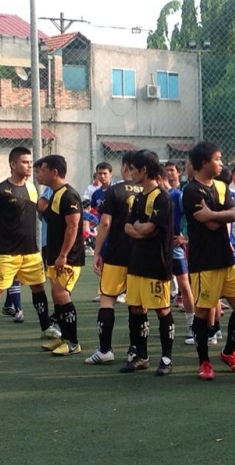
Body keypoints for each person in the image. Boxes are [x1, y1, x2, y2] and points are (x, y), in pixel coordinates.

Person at [0, 147, 61, 349]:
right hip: (7, 252)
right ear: (13, 164)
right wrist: (6, 235)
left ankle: (45, 327)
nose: (29, 165)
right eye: (24, 162)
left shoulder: (32, 187)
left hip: (31, 251)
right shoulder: (0, 191)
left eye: (31, 162)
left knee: (38, 288)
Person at [182, 142, 235, 381]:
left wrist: (214, 213)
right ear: (204, 163)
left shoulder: (221, 185)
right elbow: (209, 223)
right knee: (203, 311)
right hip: (204, 262)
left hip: (227, 259)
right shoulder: (191, 191)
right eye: (218, 159)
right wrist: (221, 215)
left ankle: (229, 353)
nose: (222, 163)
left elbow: (233, 214)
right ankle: (204, 362)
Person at [119, 150, 175, 376]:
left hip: (157, 263)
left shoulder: (162, 197)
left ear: (144, 170)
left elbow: (150, 229)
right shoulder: (139, 197)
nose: (130, 173)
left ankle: (167, 358)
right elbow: (128, 227)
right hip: (137, 262)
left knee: (162, 309)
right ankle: (141, 356)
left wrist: (141, 229)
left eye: (133, 169)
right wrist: (141, 230)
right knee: (135, 307)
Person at [85, 151, 142, 365]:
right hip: (140, 255)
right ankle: (136, 349)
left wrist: (97, 252)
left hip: (117, 254)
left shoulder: (114, 191)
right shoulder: (149, 191)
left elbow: (105, 223)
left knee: (107, 299)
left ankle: (105, 349)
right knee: (137, 303)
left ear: (124, 167)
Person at [36, 155, 85, 355]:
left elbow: (73, 227)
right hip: (55, 254)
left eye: (42, 170)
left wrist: (64, 254)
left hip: (68, 257)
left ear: (55, 172)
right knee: (57, 297)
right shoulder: (55, 194)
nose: (39, 174)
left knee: (62, 295)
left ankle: (73, 342)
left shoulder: (68, 195)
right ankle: (64, 338)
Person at [164, 160, 195, 338]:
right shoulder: (156, 195)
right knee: (162, 286)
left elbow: (192, 217)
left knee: (184, 284)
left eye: (172, 171)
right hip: (160, 248)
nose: (169, 174)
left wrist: (185, 237)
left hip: (176, 248)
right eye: (166, 171)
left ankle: (192, 325)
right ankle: (167, 327)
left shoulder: (180, 195)